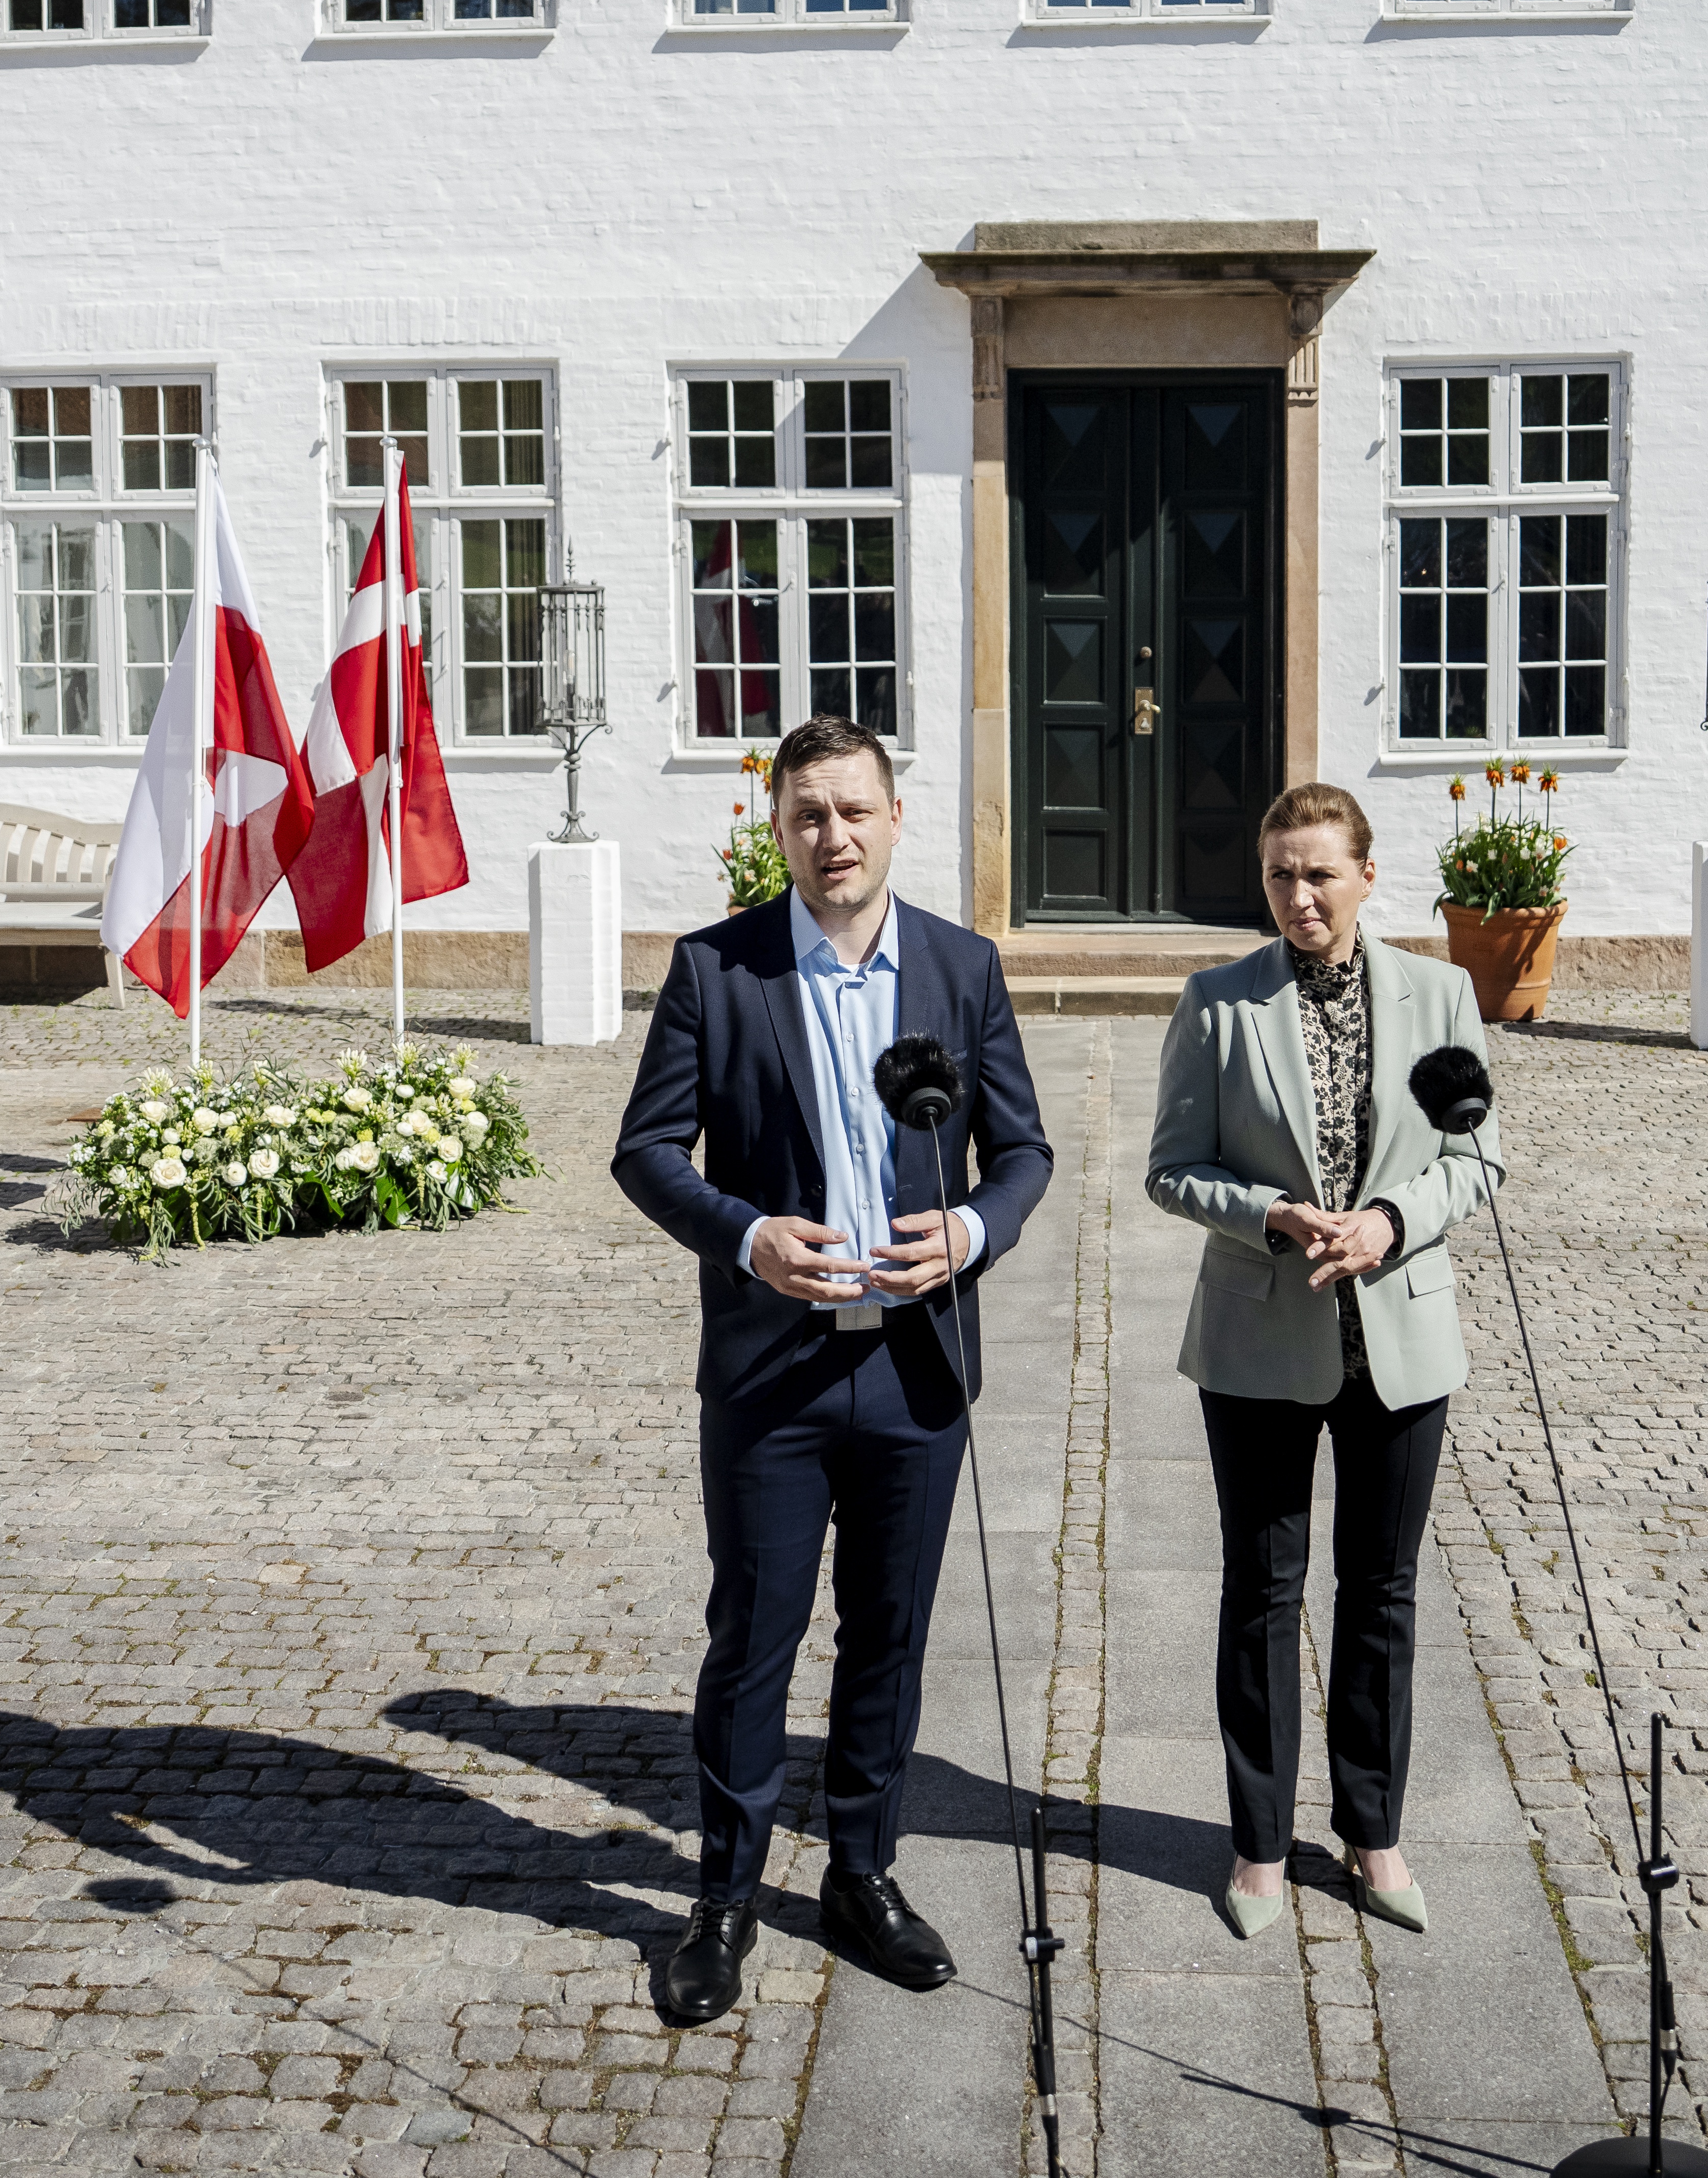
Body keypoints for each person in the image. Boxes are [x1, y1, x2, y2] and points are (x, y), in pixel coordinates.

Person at [613, 713, 1055, 2026]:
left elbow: (1023, 1152)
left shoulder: (964, 966)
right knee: (753, 1635)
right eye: (808, 813)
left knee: (891, 1635)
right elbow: (648, 1150)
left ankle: (862, 1869)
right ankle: (724, 1894)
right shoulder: (718, 967)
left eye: (854, 809)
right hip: (774, 1374)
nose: (833, 834)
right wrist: (748, 1234)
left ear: (894, 815)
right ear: (779, 827)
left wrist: (970, 1229)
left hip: (916, 1369)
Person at [1142, 781, 1496, 1940]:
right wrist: (1271, 1215)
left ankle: (1373, 1833)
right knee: (1261, 1592)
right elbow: (1170, 1168)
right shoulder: (1217, 1003)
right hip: (1261, 1331)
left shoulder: (1439, 993)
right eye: (1282, 875)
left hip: (1398, 1332)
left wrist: (1389, 1220)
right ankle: (1255, 1845)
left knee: (1382, 1597)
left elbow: (1474, 1160)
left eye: (1320, 873)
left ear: (1365, 876)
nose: (1300, 894)